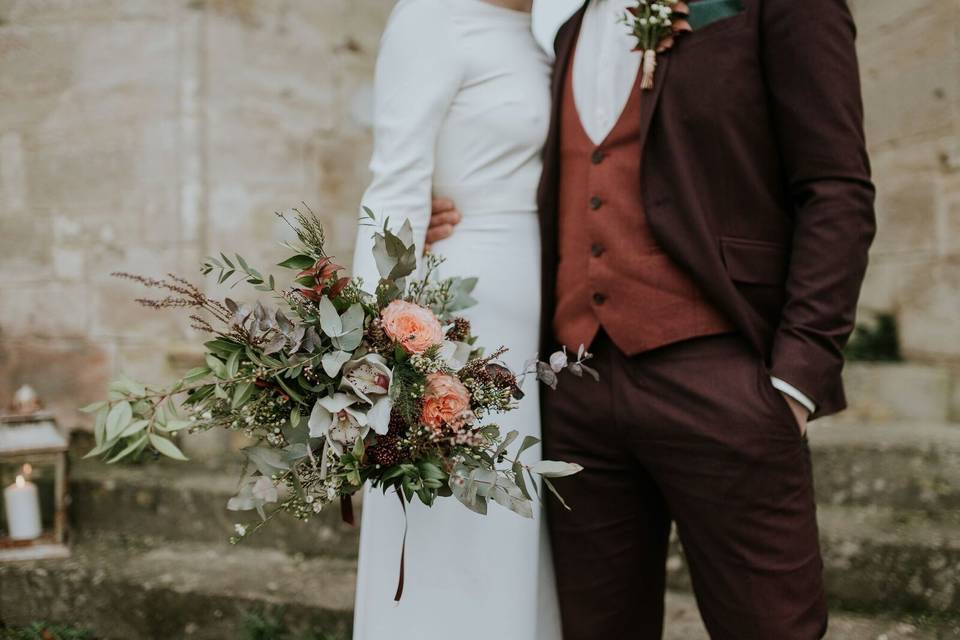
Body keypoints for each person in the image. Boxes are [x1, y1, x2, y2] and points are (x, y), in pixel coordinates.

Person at [429, 0, 877, 638]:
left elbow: (837, 189)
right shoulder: (568, 31)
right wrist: (434, 204)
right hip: (575, 393)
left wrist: (795, 380)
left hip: (723, 376)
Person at [348, 1, 562, 639]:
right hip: (461, 319)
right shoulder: (431, 17)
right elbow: (393, 181)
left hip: (548, 315)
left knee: (519, 519)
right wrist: (378, 350)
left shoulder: (554, 25)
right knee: (459, 511)